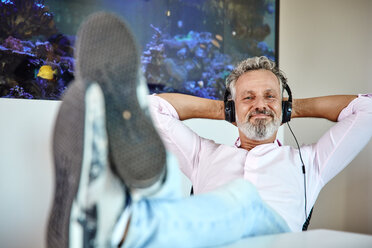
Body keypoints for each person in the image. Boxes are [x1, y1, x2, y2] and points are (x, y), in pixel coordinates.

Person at [47, 12, 372, 248]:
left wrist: (290, 108)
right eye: (248, 98)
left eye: (269, 96)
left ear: (283, 104)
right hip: (209, 239)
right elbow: (153, 109)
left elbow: (366, 109)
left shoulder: (309, 163)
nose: (260, 104)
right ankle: (114, 214)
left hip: (274, 239)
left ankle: (119, 226)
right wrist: (223, 110)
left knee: (244, 198)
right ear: (232, 107)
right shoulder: (205, 154)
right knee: (174, 202)